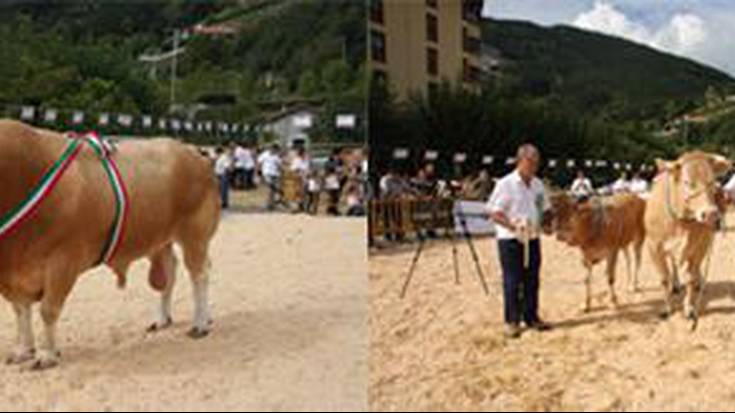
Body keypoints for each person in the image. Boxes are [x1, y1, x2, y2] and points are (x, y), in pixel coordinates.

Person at [486, 144, 552, 339]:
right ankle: (512, 321)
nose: (534, 167)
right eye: (531, 162)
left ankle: (531, 317)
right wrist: (512, 226)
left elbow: (545, 209)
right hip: (511, 240)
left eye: (536, 163)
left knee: (532, 279)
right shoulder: (505, 184)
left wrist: (547, 222)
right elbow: (493, 212)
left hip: (532, 238)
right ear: (520, 161)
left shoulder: (538, 185)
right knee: (512, 281)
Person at [257, 143, 283, 211]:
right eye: (273, 149)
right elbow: (259, 162)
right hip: (267, 173)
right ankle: (269, 203)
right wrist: (258, 172)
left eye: (275, 150)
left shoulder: (276, 156)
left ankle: (271, 204)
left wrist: (281, 173)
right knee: (270, 188)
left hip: (275, 174)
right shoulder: (264, 154)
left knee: (272, 191)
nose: (274, 151)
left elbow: (279, 166)